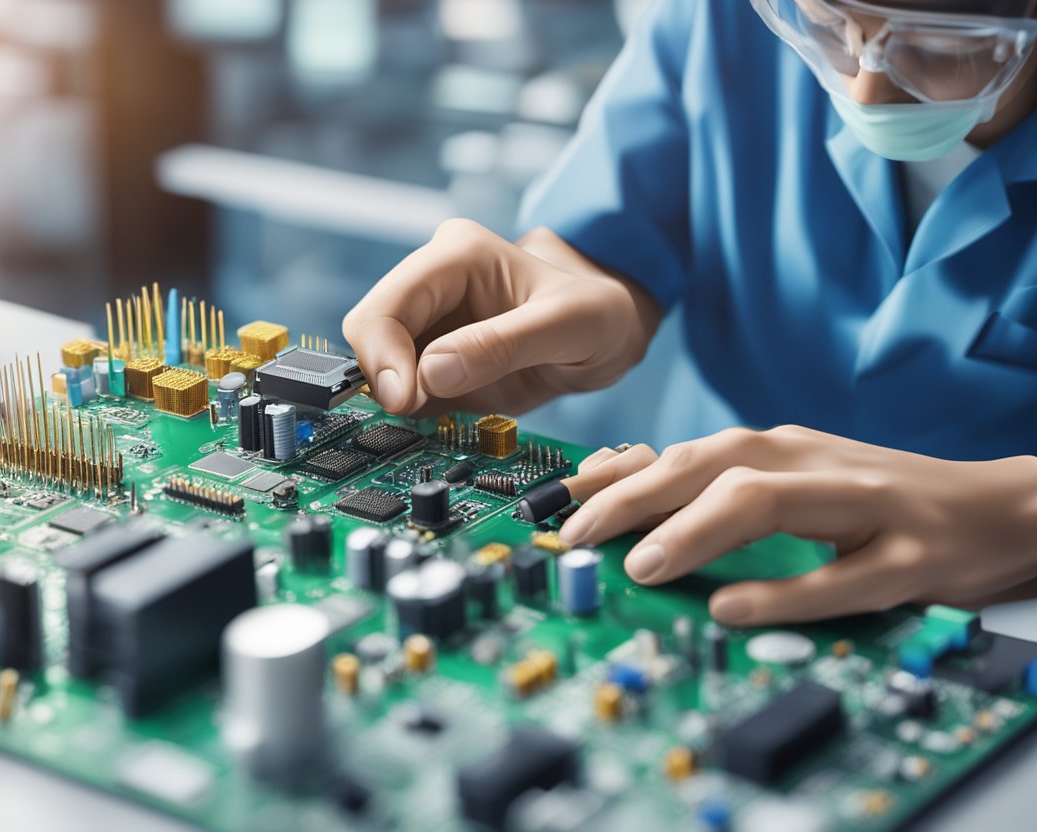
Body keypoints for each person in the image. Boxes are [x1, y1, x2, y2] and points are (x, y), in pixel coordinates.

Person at [343, 0, 1037, 627]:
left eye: (942, 46)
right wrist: (570, 289)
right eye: (826, 24)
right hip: (694, 542)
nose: (865, 89)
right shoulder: (726, 16)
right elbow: (615, 230)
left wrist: (1017, 514)